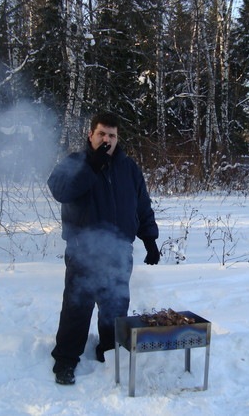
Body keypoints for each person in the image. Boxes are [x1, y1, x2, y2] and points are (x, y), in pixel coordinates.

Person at [47, 111, 160, 385]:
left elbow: (141, 204)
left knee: (116, 306)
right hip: (83, 251)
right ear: (91, 135)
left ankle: (110, 352)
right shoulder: (76, 162)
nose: (106, 140)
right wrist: (91, 167)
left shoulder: (128, 168)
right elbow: (60, 190)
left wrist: (149, 239)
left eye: (111, 135)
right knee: (77, 307)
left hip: (119, 251)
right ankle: (66, 359)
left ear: (117, 138)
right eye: (101, 134)